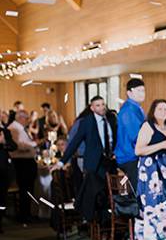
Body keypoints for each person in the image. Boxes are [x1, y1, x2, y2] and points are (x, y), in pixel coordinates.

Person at [54, 97, 117, 225]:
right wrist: (62, 161)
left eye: (103, 104)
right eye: (97, 105)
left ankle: (108, 225)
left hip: (110, 162)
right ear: (92, 108)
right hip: (94, 163)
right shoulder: (86, 122)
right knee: (98, 194)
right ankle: (99, 223)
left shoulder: (111, 119)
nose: (101, 107)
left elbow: (116, 138)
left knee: (110, 192)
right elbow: (75, 142)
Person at [133, 99, 166, 240]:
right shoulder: (148, 126)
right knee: (154, 206)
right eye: (160, 108)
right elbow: (138, 150)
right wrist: (163, 145)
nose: (163, 111)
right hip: (151, 172)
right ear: (153, 110)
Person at [8, 110, 39, 225]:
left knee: (28, 189)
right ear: (21, 118)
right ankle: (24, 216)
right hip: (22, 162)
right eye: (26, 119)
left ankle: (27, 214)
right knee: (25, 189)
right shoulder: (14, 128)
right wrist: (34, 145)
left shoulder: (19, 127)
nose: (28, 121)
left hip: (26, 161)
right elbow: (18, 146)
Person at [115, 78, 146, 193]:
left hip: (133, 155)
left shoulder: (136, 108)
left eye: (143, 90)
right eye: (139, 90)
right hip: (130, 157)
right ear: (129, 92)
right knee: (139, 193)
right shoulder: (128, 110)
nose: (142, 93)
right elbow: (136, 136)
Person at [0, 122, 17, 232]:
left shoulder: (5, 132)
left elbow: (14, 146)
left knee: (2, 199)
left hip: (3, 170)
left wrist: (4, 142)